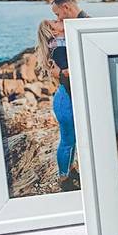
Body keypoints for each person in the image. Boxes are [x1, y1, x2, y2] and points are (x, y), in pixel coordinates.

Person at [34, 18, 77, 189]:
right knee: (67, 141)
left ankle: (70, 169)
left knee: (72, 140)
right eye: (55, 22)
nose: (60, 21)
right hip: (65, 101)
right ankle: (63, 179)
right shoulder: (59, 49)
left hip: (65, 98)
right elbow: (66, 73)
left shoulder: (60, 46)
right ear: (54, 31)